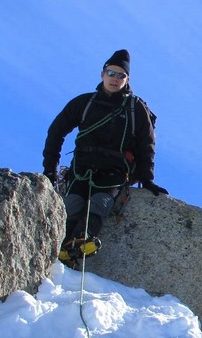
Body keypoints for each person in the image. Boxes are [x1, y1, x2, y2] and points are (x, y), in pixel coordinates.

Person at [42, 49, 168, 267]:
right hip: (82, 168)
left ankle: (79, 243)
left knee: (99, 204)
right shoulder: (84, 103)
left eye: (121, 75)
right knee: (72, 204)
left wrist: (147, 179)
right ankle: (63, 250)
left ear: (127, 80)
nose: (115, 78)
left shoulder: (135, 108)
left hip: (114, 172)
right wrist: (50, 170)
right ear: (102, 74)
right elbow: (56, 132)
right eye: (112, 73)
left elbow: (146, 143)